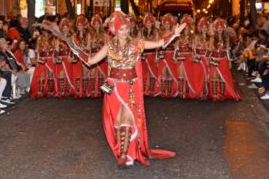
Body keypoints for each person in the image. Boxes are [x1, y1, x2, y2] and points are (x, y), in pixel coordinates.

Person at [65, 11, 184, 167]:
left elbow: (159, 43)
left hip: (129, 86)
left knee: (127, 117)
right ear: (114, 30)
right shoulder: (109, 46)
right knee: (119, 120)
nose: (124, 32)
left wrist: (173, 34)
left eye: (126, 29)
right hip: (114, 86)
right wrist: (75, 48)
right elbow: (91, 60)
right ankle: (125, 153)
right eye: (121, 29)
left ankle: (123, 155)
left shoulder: (137, 43)